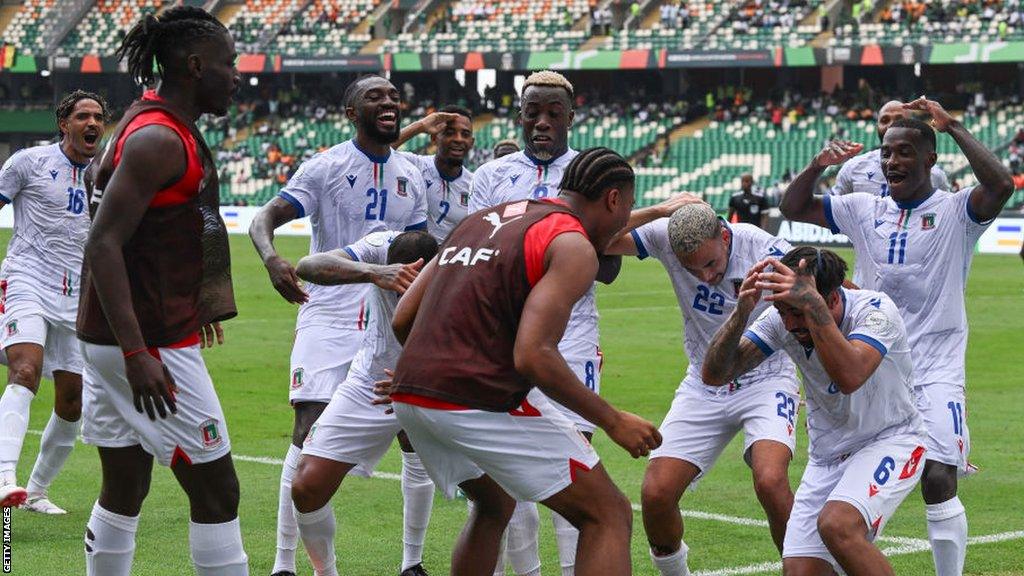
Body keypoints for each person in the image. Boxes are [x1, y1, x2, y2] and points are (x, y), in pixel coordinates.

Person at [386, 147, 662, 576]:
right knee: (607, 513)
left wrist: (432, 369)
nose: (623, 222)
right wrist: (612, 419)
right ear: (613, 200)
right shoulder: (572, 244)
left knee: (493, 502)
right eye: (626, 209)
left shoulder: (478, 220)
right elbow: (534, 354)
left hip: (412, 391)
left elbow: (404, 316)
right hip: (472, 397)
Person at [779, 98, 1016, 576]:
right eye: (887, 153)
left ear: (929, 160)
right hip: (871, 362)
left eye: (905, 152)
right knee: (851, 484)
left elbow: (1002, 184)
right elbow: (793, 205)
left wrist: (953, 127)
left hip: (936, 366)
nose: (893, 162)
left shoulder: (955, 212)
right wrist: (817, 165)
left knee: (938, 474)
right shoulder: (863, 209)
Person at [468, 70, 688, 576]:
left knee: (576, 458)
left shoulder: (593, 172)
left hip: (573, 332)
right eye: (532, 112)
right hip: (502, 331)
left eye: (553, 113)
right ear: (520, 115)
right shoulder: (492, 177)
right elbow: (481, 251)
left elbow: (606, 264)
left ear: (571, 117)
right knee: (509, 466)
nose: (541, 122)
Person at [76, 7, 247, 575]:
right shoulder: (157, 138)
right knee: (218, 491)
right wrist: (137, 354)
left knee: (124, 483)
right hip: (144, 343)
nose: (237, 75)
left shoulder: (141, 121)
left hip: (113, 334)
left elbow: (150, 237)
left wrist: (190, 298)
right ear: (196, 66)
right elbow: (103, 244)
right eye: (229, 64)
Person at [248, 74, 428, 576]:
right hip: (327, 311)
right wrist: (271, 259)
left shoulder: (410, 174)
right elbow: (265, 217)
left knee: (412, 432)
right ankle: (286, 565)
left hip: (387, 316)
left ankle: (411, 562)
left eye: (394, 96)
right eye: (376, 97)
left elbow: (415, 257)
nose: (389, 102)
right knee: (306, 430)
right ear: (352, 113)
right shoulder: (326, 166)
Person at [703, 246, 927, 576]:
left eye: (797, 312)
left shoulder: (877, 312)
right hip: (827, 456)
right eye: (782, 312)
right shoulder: (783, 319)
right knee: (801, 569)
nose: (789, 323)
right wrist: (740, 314)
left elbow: (850, 375)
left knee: (838, 525)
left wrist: (813, 307)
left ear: (832, 299)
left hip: (891, 440)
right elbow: (716, 374)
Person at [605, 203, 799, 575]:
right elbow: (601, 237)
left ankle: (804, 569)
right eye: (691, 269)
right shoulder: (665, 235)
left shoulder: (761, 247)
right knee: (656, 495)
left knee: (771, 482)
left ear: (724, 236)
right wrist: (658, 210)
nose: (704, 276)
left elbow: (821, 286)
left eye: (710, 264)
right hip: (703, 380)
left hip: (766, 375)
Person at [290, 230, 438, 576]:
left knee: (496, 493)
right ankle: (325, 572)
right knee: (307, 484)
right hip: (369, 383)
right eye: (398, 278)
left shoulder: (461, 263)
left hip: (437, 385)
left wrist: (422, 380)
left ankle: (412, 564)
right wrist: (372, 273)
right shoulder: (376, 248)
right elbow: (308, 265)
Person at [0, 90, 107, 513]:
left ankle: (36, 491)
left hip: (77, 294)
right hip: (27, 277)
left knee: (72, 398)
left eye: (99, 116)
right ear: (64, 123)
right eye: (83, 116)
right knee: (25, 368)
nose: (92, 123)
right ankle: (5, 475)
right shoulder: (29, 162)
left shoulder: (109, 172)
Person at [830, 100, 949, 198]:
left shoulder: (935, 175)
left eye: (899, 120)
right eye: (884, 120)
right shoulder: (853, 168)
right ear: (877, 127)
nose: (891, 125)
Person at [393, 107, 475, 243]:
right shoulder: (414, 166)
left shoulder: (474, 185)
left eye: (465, 134)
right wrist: (420, 126)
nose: (458, 139)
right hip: (409, 257)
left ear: (471, 143)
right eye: (450, 133)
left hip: (448, 261)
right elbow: (380, 151)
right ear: (434, 138)